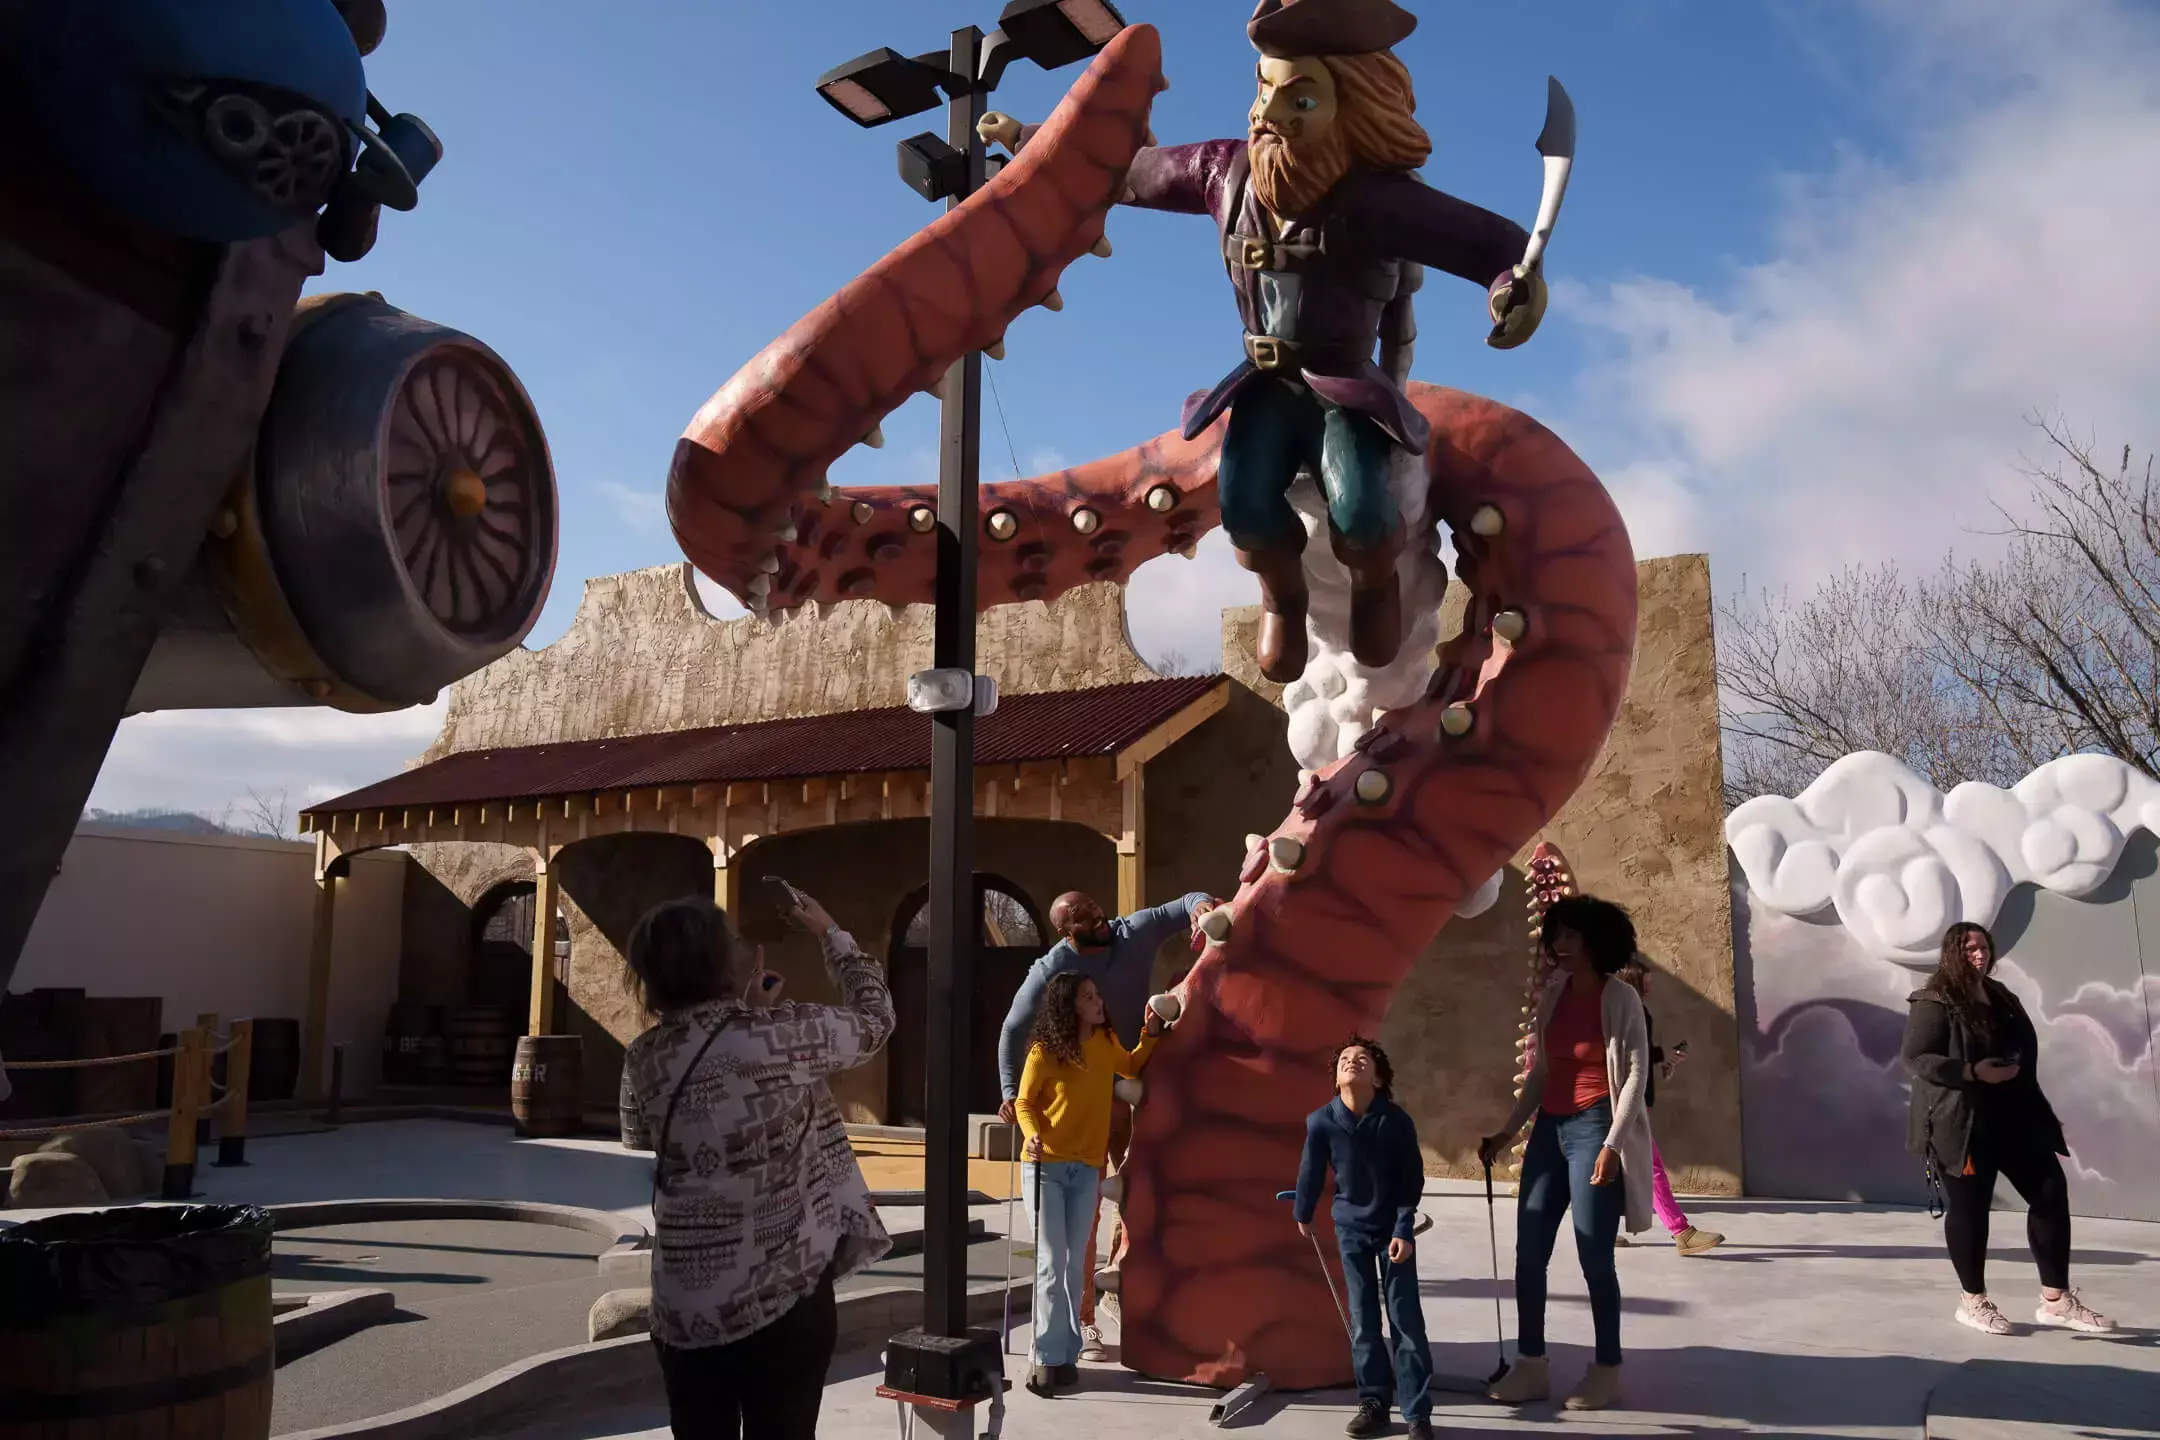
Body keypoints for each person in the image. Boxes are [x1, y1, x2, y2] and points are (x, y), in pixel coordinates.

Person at [978, 0, 1548, 682]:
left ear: (1351, 108)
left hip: (1343, 389)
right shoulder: (1226, 173)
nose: (1270, 114)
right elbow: (1126, 171)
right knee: (1246, 507)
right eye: (1264, 91)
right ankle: (1282, 597)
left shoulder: (1379, 200)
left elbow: (1490, 243)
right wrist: (1030, 138)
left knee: (1364, 515)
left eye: (1299, 99)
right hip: (1263, 384)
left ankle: (1375, 586)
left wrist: (1510, 286)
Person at [622, 888, 895, 1440]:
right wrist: (831, 934)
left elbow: (658, 1125)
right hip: (782, 1296)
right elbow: (875, 1017)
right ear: (721, 962)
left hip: (684, 1309)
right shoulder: (779, 1038)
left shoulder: (644, 1057)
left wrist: (746, 1017)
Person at [997, 888, 1216, 1360]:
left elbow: (1180, 904)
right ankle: (1083, 1321)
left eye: (1096, 909)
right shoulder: (1051, 972)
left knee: (1142, 1196)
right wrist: (1011, 1094)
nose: (1098, 918)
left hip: (1137, 1094)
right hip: (1081, 1120)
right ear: (1066, 931)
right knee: (1081, 1227)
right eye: (1083, 917)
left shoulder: (1130, 933)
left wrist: (1199, 906)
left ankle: (1127, 1293)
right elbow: (1013, 1028)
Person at [1477, 895, 1654, 1413]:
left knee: (1594, 1255)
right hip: (1549, 1131)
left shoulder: (1621, 998)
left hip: (1595, 1126)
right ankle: (1530, 1365)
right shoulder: (1554, 993)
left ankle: (1606, 1370)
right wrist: (1507, 1132)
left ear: (1598, 940)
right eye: (1556, 935)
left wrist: (1612, 1144)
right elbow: (1542, 1071)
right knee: (1529, 1253)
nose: (1560, 945)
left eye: (1572, 936)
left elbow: (1636, 1074)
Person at [1901, 922, 2116, 1336]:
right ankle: (1973, 1301)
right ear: (1951, 953)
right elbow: (1916, 1058)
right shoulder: (1934, 1000)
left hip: (2015, 1117)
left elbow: (2022, 1050)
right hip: (1961, 1123)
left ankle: (2056, 1300)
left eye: (1984, 947)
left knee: (2050, 1193)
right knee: (1971, 1208)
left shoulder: (2000, 994)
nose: (1979, 955)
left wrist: (2031, 1096)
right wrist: (1971, 1071)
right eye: (1969, 949)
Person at [1013, 969, 1167, 1395]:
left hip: (1086, 1169)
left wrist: (1151, 1032)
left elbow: (1131, 1064)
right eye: (1087, 997)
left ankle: (1066, 1354)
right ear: (1068, 1006)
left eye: (1096, 995)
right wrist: (1032, 1135)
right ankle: (1045, 1358)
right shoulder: (1044, 1052)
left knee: (1074, 1263)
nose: (1097, 1002)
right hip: (1045, 1167)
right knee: (1050, 1262)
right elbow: (1024, 1102)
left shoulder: (1104, 1042)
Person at [1292, 1036, 1434, 1440]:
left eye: (1363, 1058)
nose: (1352, 1061)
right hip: (1350, 1229)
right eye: (1345, 1059)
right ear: (1336, 1078)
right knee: (1363, 1320)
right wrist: (1303, 1213)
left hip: (1393, 1231)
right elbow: (1310, 1172)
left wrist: (1404, 1229)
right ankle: (1374, 1404)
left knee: (1406, 1320)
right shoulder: (1321, 1121)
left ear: (1378, 1078)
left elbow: (1411, 1181)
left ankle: (1417, 1413)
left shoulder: (1396, 1121)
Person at [1612, 957, 1724, 1257]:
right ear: (1633, 980)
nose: (1650, 984)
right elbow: (1627, 1057)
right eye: (1646, 979)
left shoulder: (1627, 1010)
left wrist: (1666, 1056)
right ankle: (1681, 1232)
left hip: (1628, 1100)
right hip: (1627, 1102)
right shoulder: (1629, 1011)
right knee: (1650, 1167)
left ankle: (1601, 1228)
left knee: (1618, 1167)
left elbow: (1639, 1053)